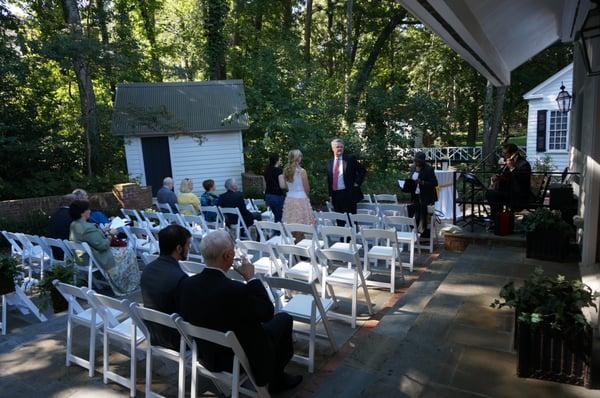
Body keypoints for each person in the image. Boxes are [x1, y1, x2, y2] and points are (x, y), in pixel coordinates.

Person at [179, 230, 302, 392]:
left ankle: (276, 375)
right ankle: (276, 378)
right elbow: (266, 313)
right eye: (233, 251)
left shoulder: (187, 285)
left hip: (208, 353)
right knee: (284, 319)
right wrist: (251, 278)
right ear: (227, 256)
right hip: (237, 357)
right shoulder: (236, 290)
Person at [69, 200, 140, 295]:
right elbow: (103, 246)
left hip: (82, 258)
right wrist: (111, 234)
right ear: (83, 212)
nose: (90, 211)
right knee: (129, 250)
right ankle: (127, 283)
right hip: (99, 258)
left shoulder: (74, 224)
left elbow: (92, 239)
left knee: (124, 250)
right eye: (88, 209)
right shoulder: (88, 227)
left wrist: (103, 231)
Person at [140, 225, 191, 350]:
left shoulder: (148, 269)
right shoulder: (180, 278)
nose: (189, 249)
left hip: (155, 334)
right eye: (188, 245)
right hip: (177, 341)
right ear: (179, 248)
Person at [485, 143, 532, 226]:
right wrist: (498, 177)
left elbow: (522, 181)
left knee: (492, 194)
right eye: (503, 153)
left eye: (505, 154)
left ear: (514, 154)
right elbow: (506, 178)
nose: (503, 156)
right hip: (509, 192)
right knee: (491, 193)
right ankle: (497, 219)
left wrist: (512, 168)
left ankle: (497, 220)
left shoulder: (524, 164)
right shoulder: (508, 163)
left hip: (519, 195)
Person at [327, 138, 366, 218]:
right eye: (337, 147)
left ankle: (353, 230)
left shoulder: (350, 159)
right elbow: (329, 179)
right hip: (336, 195)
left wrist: (357, 183)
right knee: (339, 219)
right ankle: (340, 231)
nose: (340, 149)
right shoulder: (330, 162)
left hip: (349, 193)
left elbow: (362, 170)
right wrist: (330, 195)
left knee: (351, 219)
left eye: (341, 147)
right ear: (332, 148)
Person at [406, 152, 438, 234]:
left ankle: (423, 232)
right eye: (416, 161)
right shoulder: (413, 168)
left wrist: (422, 182)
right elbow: (411, 178)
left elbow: (435, 183)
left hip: (426, 196)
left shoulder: (429, 169)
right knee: (413, 211)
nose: (417, 163)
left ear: (423, 161)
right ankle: (415, 231)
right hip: (415, 196)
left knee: (422, 213)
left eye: (419, 161)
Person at [280, 150, 315, 225]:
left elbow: (286, 187)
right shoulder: (302, 171)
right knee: (301, 226)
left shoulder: (286, 170)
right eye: (300, 156)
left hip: (289, 198)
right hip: (301, 199)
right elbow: (307, 188)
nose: (301, 158)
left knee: (291, 225)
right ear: (297, 158)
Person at [263, 154, 285, 223]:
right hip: (277, 196)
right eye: (280, 160)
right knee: (279, 218)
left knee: (276, 216)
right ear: (277, 161)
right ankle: (279, 233)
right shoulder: (279, 171)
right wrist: (288, 187)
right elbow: (282, 186)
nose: (280, 161)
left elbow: (264, 185)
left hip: (268, 196)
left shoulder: (266, 170)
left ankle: (276, 231)